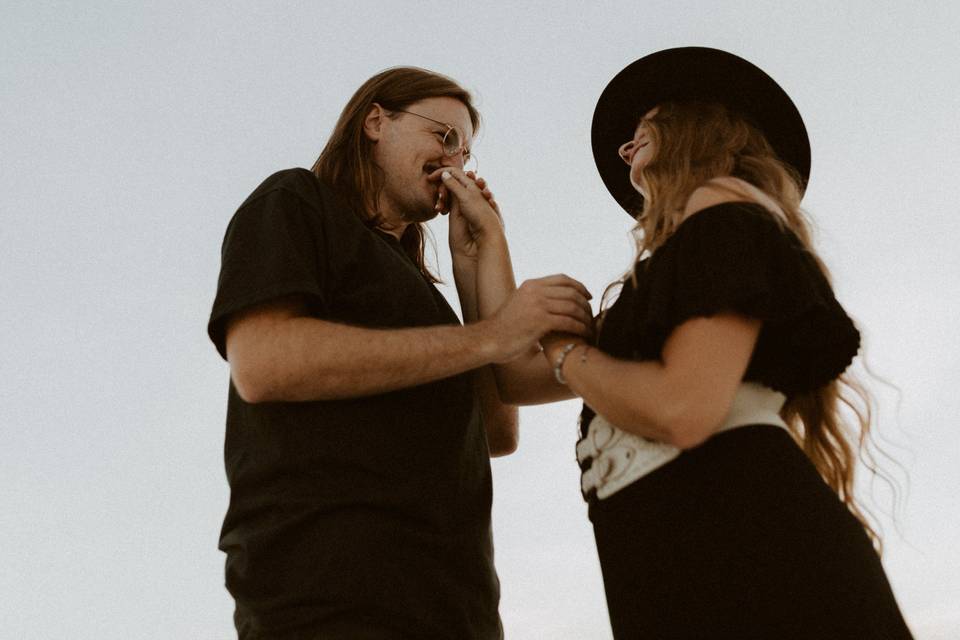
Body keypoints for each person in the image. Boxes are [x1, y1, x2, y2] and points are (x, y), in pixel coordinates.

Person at [446, 47, 914, 638]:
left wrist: (567, 352)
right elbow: (513, 378)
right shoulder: (664, 287)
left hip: (748, 558)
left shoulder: (721, 205)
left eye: (643, 126)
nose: (624, 148)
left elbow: (680, 408)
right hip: (669, 566)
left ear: (697, 125)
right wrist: (487, 241)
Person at [206, 67, 592, 639]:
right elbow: (264, 363)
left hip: (456, 609)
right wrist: (491, 336)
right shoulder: (296, 201)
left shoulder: (424, 296)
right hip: (331, 597)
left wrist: (475, 264)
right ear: (375, 121)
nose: (456, 162)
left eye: (466, 153)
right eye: (444, 137)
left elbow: (496, 430)